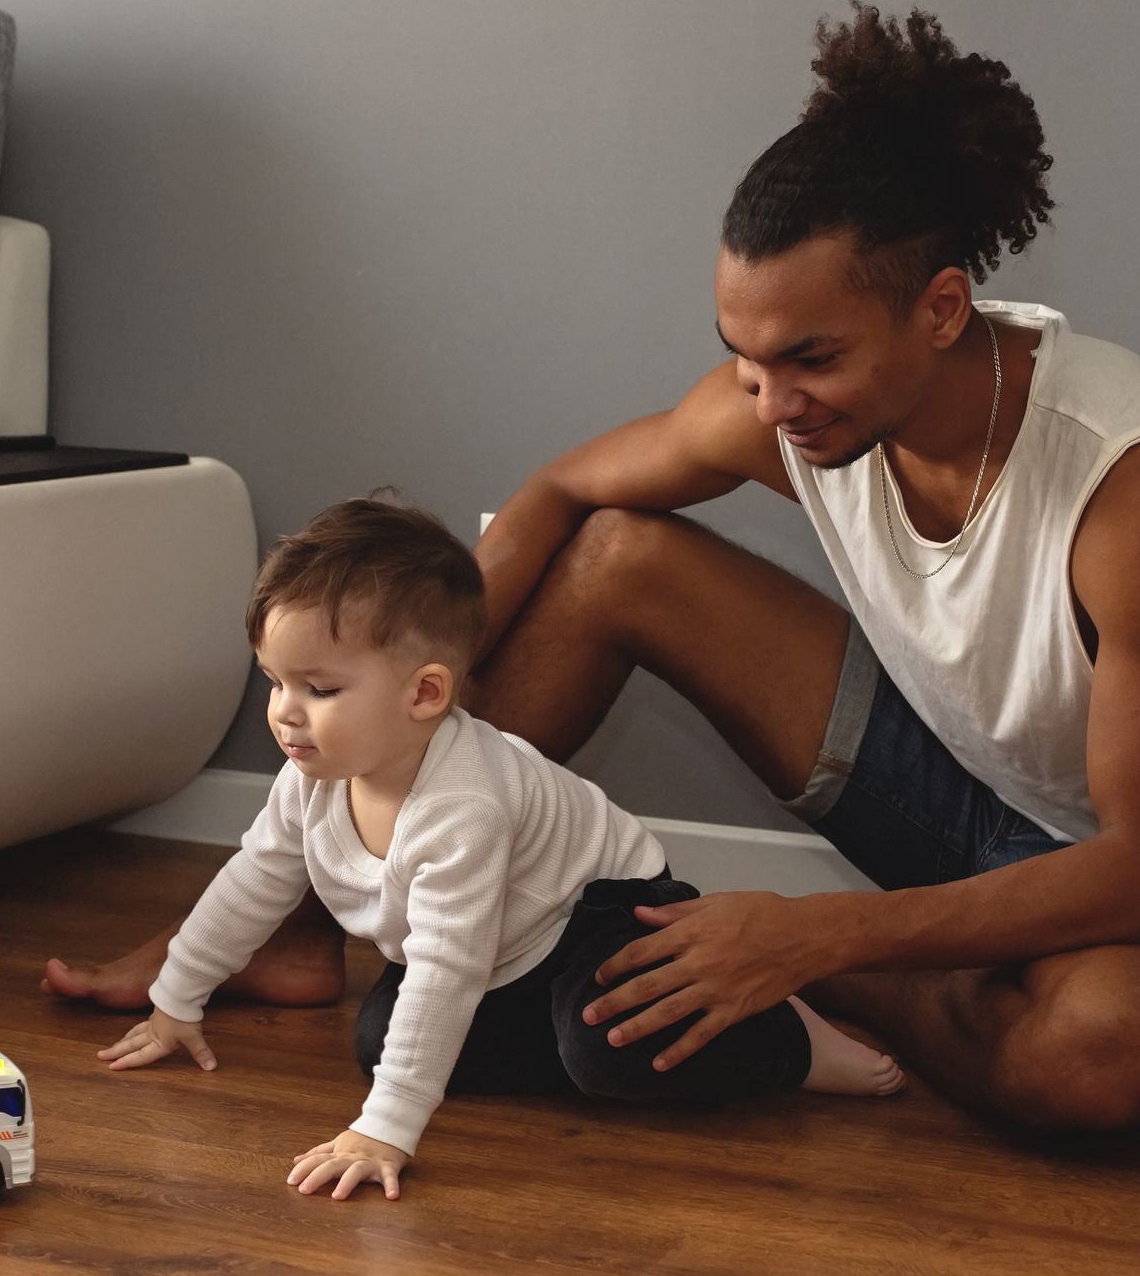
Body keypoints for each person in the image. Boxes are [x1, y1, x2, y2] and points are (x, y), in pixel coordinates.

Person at [57, 3, 1140, 1132]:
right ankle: (305, 927)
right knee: (618, 554)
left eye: (811, 358)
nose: (770, 400)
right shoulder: (782, 405)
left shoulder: (1138, 480)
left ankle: (781, 963)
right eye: (743, 354)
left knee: (1096, 1054)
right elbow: (562, 492)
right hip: (956, 795)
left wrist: (813, 932)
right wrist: (411, 693)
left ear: (941, 310)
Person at [96, 499, 902, 1201]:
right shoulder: (314, 775)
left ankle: (787, 1036)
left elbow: (446, 966)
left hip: (602, 912)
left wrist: (386, 1133)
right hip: (507, 944)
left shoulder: (463, 803)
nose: (286, 714)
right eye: (275, 682)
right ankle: (589, 1028)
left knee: (603, 1052)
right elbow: (254, 881)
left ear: (425, 694)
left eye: (320, 689)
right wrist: (178, 998)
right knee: (384, 1047)